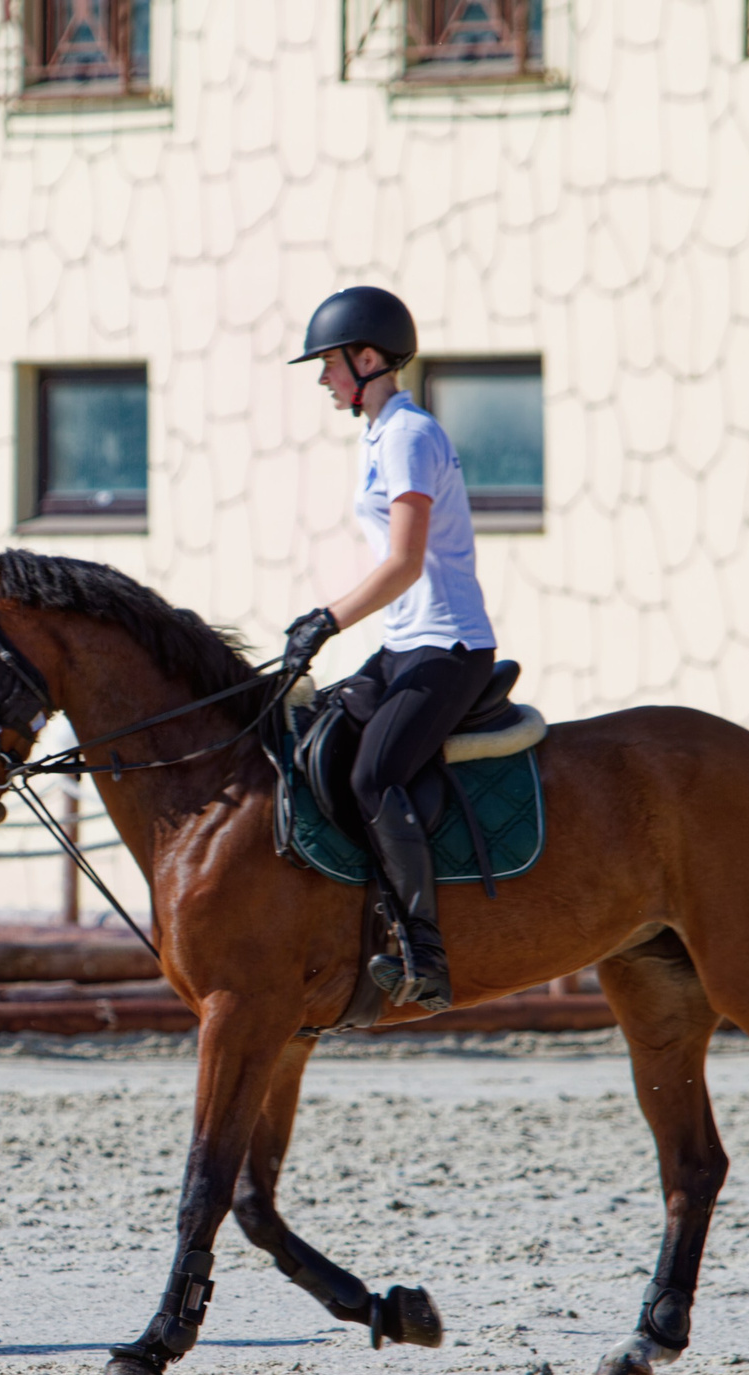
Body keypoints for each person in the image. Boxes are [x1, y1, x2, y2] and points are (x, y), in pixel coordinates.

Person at [279, 286, 498, 1014]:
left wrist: (326, 619)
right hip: (404, 642)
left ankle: (422, 951)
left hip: (448, 644)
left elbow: (405, 561)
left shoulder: (409, 434)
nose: (324, 379)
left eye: (331, 364)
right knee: (324, 738)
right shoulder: (378, 433)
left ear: (368, 359)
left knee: (376, 773)